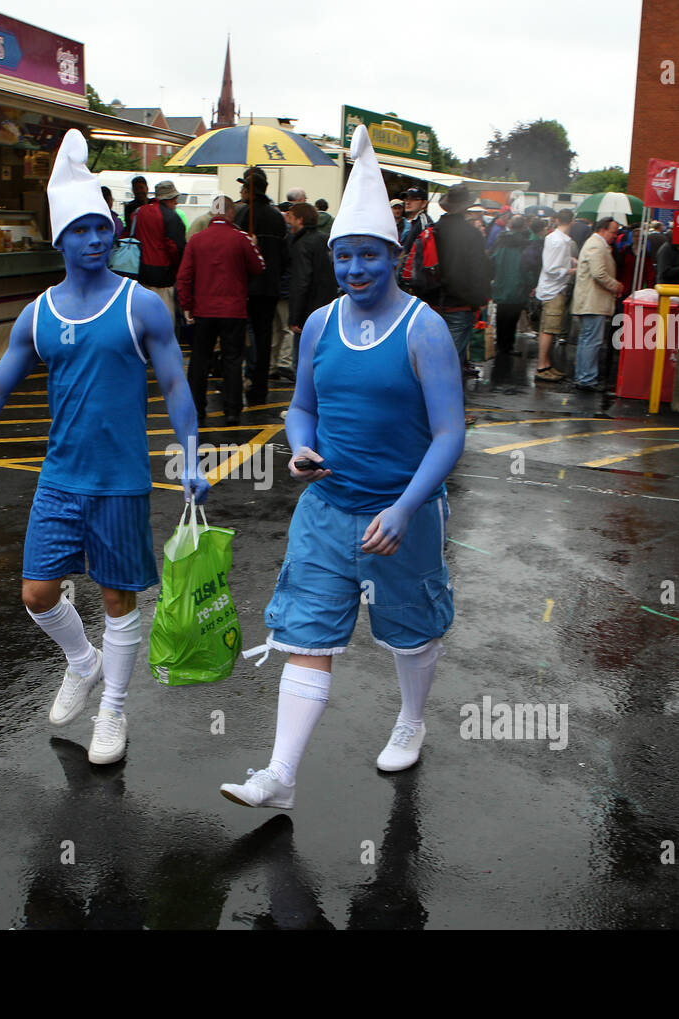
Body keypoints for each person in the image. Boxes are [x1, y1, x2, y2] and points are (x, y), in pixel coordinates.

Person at [0, 132, 208, 766]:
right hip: (60, 478)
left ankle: (113, 710)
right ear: (59, 239)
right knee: (36, 593)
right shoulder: (38, 314)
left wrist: (191, 455)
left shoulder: (140, 305)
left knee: (118, 599)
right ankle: (81, 662)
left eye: (102, 228)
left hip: (120, 481)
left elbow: (174, 383)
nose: (94, 239)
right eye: (81, 229)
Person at [219, 126, 464, 809]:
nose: (357, 269)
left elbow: (449, 434)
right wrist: (300, 446)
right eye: (346, 256)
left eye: (370, 257)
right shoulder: (321, 324)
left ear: (394, 257)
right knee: (305, 631)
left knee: (411, 630)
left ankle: (412, 718)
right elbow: (301, 408)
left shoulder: (423, 329)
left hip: (400, 512)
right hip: (326, 508)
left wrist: (407, 506)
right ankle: (280, 775)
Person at [177, 195, 266, 426]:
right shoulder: (241, 238)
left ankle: (196, 409)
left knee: (199, 360)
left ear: (213, 211)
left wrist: (187, 305)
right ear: (231, 213)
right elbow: (258, 268)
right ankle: (232, 409)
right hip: (233, 309)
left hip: (203, 309)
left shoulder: (196, 239)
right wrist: (254, 245)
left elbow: (184, 276)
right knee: (233, 360)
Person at [235, 167, 289, 407]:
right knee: (265, 335)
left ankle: (246, 378)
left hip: (246, 285)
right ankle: (260, 386)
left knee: (244, 336)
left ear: (249, 190)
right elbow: (285, 255)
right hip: (270, 286)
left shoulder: (243, 214)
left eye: (243, 187)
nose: (240, 191)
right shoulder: (278, 217)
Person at [433, 183, 494, 375]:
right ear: (466, 207)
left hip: (432, 302)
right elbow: (478, 270)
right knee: (451, 360)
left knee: (433, 355)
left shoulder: (433, 230)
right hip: (460, 304)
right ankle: (445, 401)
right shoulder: (472, 234)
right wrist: (480, 301)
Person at [571, 216, 623, 392]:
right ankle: (586, 378)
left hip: (590, 301)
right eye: (613, 232)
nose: (615, 236)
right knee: (591, 341)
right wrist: (616, 286)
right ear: (602, 230)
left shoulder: (596, 244)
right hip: (593, 302)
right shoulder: (596, 245)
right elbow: (599, 273)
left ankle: (583, 376)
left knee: (587, 340)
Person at [286, 201, 338, 367]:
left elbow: (301, 281)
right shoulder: (325, 240)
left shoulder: (302, 244)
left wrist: (295, 316)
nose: (288, 221)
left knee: (302, 362)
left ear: (300, 220)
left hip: (307, 311)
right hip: (327, 307)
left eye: (291, 217)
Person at [133, 180, 188, 323]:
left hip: (141, 272)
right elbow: (175, 248)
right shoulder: (171, 217)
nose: (176, 203)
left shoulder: (140, 211)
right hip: (163, 276)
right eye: (175, 199)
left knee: (144, 317)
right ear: (170, 199)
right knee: (165, 319)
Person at [534, 208, 576, 382]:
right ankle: (542, 366)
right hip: (554, 290)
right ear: (572, 222)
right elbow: (552, 268)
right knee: (549, 330)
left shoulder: (556, 239)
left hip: (551, 289)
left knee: (548, 329)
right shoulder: (559, 241)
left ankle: (546, 364)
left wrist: (570, 261)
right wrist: (571, 270)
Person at [489, 215, 532, 382]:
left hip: (501, 284)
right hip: (517, 287)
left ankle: (501, 346)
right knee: (513, 319)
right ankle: (508, 345)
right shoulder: (524, 244)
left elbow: (492, 260)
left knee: (501, 316)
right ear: (523, 227)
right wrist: (529, 283)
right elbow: (527, 266)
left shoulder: (501, 241)